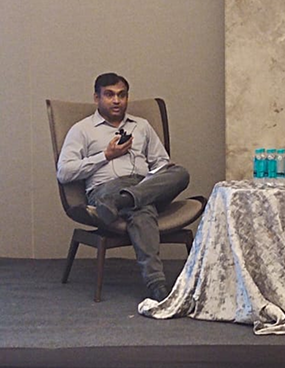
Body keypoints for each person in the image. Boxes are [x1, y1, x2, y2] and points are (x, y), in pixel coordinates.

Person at [57, 72, 190, 301]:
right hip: (106, 189)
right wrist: (106, 155)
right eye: (109, 95)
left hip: (144, 185)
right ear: (97, 98)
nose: (116, 100)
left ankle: (122, 201)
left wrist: (156, 176)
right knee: (142, 208)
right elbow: (64, 172)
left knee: (181, 174)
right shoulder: (82, 129)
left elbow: (161, 162)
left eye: (122, 95)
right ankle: (157, 285)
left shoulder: (142, 126)